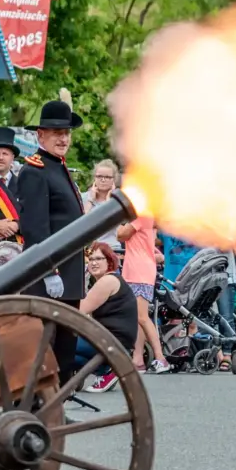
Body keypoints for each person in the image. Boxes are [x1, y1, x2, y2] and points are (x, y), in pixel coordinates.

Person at [16, 100, 87, 387]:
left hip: (68, 273)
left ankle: (58, 402)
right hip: (50, 276)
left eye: (67, 133)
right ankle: (42, 406)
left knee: (64, 348)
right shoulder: (35, 171)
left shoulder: (58, 168)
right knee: (46, 346)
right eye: (56, 132)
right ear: (40, 135)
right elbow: (35, 229)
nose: (63, 138)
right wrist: (48, 271)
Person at [77, 242, 138, 393]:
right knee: (71, 352)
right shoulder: (108, 280)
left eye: (99, 259)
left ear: (109, 261)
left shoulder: (108, 281)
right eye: (90, 259)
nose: (93, 263)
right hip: (116, 339)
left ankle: (106, 370)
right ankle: (105, 369)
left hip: (112, 339)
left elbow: (80, 309)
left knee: (63, 344)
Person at [117, 215, 169, 373]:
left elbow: (121, 234)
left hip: (139, 272)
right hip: (136, 270)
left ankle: (161, 358)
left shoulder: (142, 217)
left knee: (141, 317)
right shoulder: (145, 220)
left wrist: (120, 221)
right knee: (138, 317)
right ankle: (138, 359)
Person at [83, 160, 123, 256]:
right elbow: (78, 225)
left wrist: (110, 203)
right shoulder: (84, 197)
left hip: (112, 249)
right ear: (94, 178)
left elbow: (120, 232)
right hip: (88, 251)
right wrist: (90, 201)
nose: (103, 180)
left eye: (107, 177)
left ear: (114, 179)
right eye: (99, 176)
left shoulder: (119, 200)